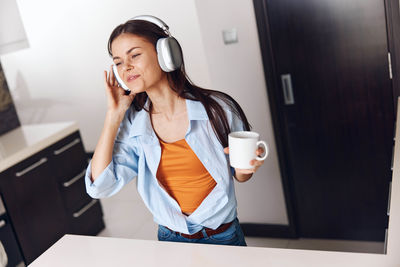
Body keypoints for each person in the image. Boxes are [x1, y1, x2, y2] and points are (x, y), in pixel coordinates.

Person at [85, 15, 266, 246]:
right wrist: (114, 115)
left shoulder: (218, 109)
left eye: (135, 55)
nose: (126, 67)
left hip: (223, 236)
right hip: (170, 239)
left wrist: (247, 167)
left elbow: (241, 176)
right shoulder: (133, 124)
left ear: (166, 54)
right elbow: (100, 187)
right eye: (118, 61)